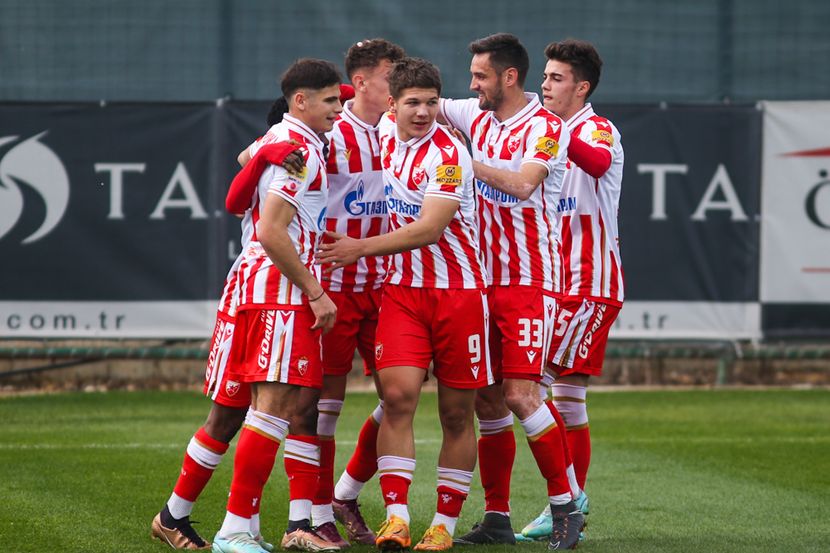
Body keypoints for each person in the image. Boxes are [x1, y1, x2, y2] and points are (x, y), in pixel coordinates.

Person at [317, 57, 490, 552]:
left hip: (458, 296)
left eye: (432, 102)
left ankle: (444, 525)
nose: (423, 111)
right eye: (413, 102)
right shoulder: (382, 140)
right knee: (397, 399)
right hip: (403, 294)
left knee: (457, 415)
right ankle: (395, 518)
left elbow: (430, 229)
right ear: (391, 105)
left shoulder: (449, 152)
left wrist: (357, 248)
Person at [438, 33, 583, 550]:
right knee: (487, 402)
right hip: (480, 282)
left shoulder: (546, 127)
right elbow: (418, 99)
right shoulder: (474, 114)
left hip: (529, 282)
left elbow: (524, 185)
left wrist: (457, 163)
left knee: (523, 395)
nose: (471, 85)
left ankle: (567, 506)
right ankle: (496, 516)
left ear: (508, 77)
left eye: (480, 76)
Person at [210, 58, 343, 553]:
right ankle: (235, 529)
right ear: (301, 101)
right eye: (330, 100)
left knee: (271, 408)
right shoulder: (300, 149)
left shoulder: (283, 141)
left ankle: (244, 525)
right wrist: (315, 290)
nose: (339, 108)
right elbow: (270, 229)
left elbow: (247, 164)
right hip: (280, 290)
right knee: (272, 408)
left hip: (258, 286)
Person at [518, 38, 624, 542]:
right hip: (557, 285)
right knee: (566, 396)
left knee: (528, 387)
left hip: (589, 285)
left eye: (557, 78)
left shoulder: (594, 128)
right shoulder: (545, 130)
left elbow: (599, 165)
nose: (544, 84)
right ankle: (567, 497)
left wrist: (554, 131)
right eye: (544, 75)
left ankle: (569, 499)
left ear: (581, 87)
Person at [313, 38, 405, 549]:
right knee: (323, 406)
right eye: (393, 77)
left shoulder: (400, 129)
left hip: (386, 287)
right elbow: (257, 160)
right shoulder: (330, 131)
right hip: (334, 289)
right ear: (363, 82)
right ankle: (319, 512)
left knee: (399, 396)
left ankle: (347, 493)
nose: (401, 89)